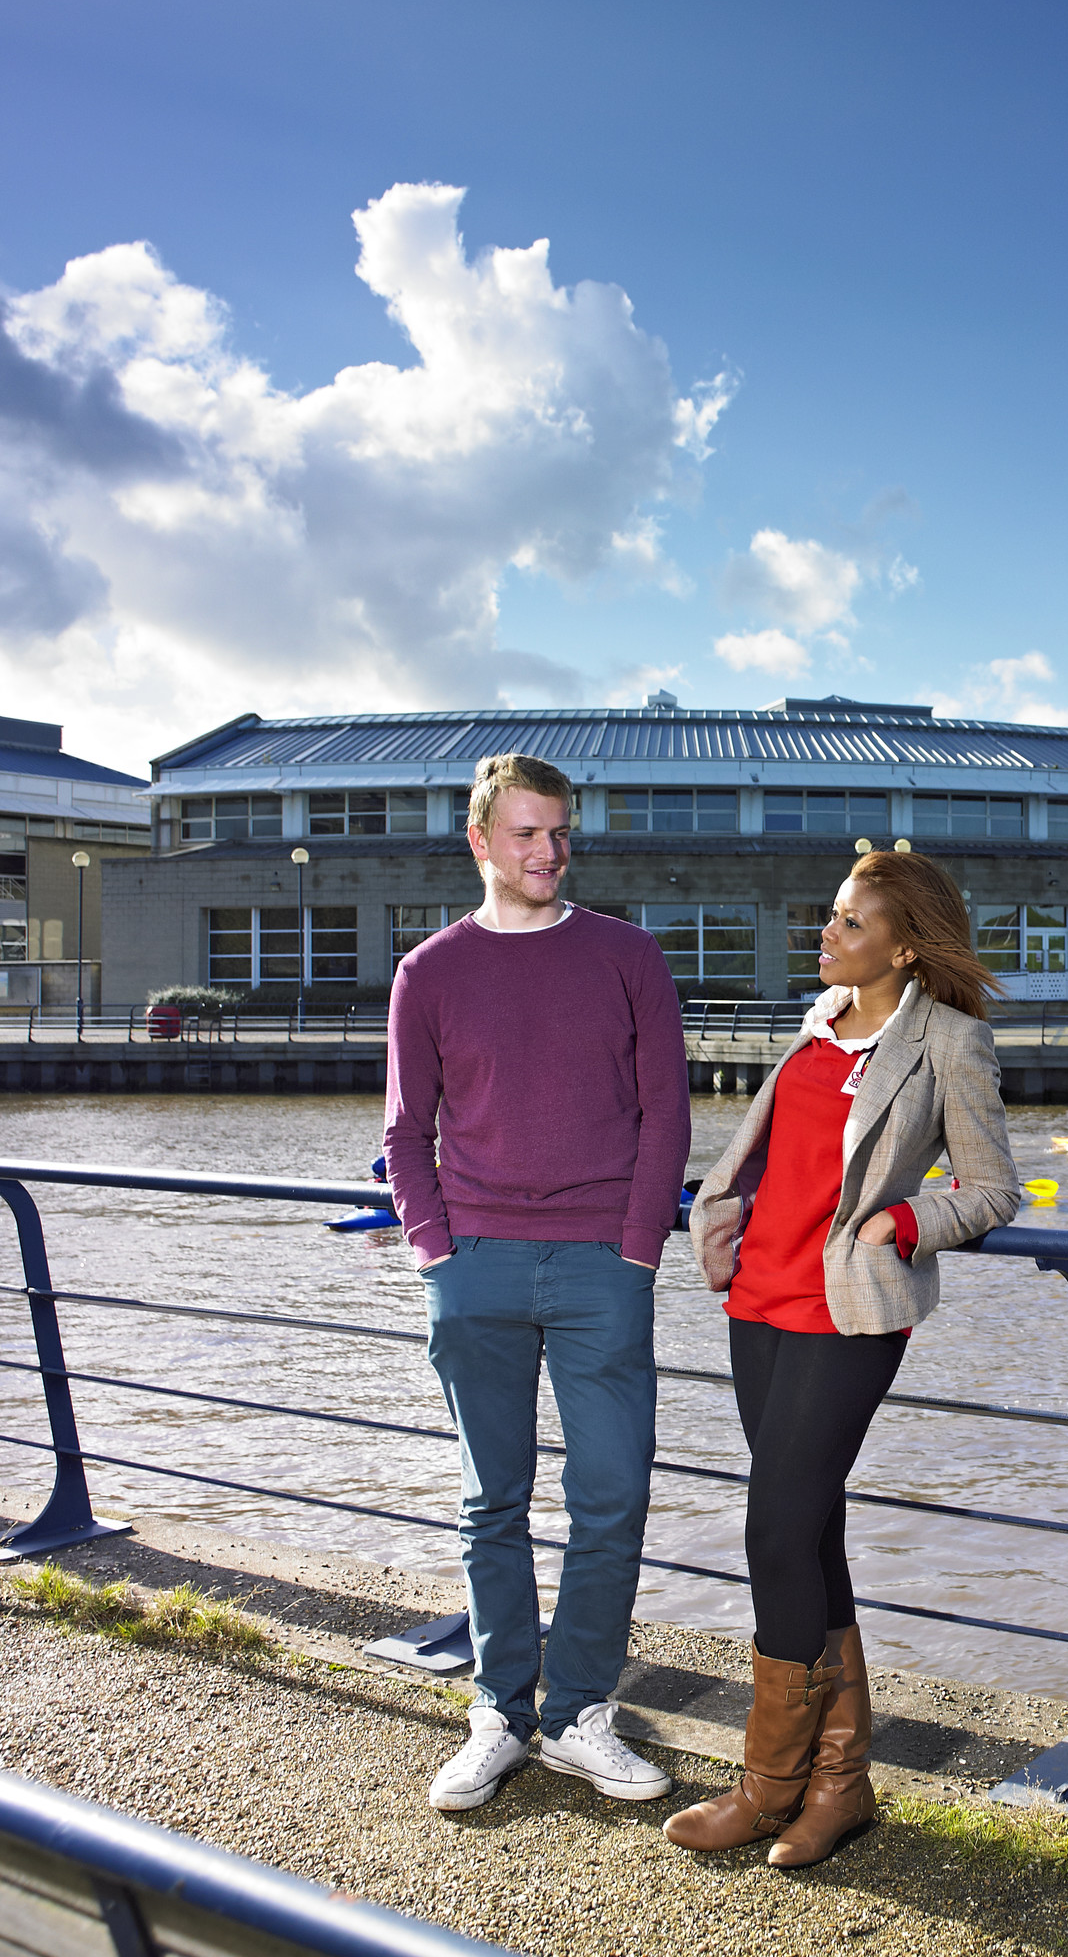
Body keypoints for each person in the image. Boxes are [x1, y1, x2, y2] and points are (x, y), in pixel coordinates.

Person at [673, 849, 1022, 1868]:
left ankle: (765, 1786)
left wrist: (906, 1220)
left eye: (850, 924)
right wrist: (720, 1215)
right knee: (809, 1533)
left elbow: (992, 1187)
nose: (825, 935)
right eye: (829, 918)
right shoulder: (816, 1025)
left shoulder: (948, 1042)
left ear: (904, 945)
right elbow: (776, 1154)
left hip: (848, 1313)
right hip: (757, 1301)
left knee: (772, 1530)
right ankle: (839, 1782)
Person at [385, 752, 692, 1814]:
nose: (546, 852)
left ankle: (580, 1714)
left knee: (612, 1492)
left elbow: (667, 1116)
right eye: (523, 834)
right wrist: (434, 1248)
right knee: (492, 1499)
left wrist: (639, 1247)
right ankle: (500, 1711)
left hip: (603, 1263)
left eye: (558, 832)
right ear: (478, 841)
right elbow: (402, 1127)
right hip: (476, 1267)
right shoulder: (428, 970)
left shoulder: (628, 955)